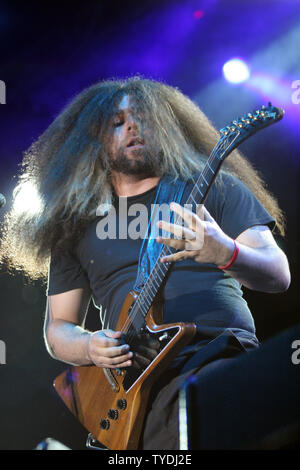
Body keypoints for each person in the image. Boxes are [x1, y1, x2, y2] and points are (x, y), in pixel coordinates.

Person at [0, 77, 290, 449]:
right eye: (117, 122)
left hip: (216, 359)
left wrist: (226, 252)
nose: (132, 126)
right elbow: (58, 329)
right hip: (133, 390)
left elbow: (277, 274)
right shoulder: (74, 227)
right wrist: (90, 347)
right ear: (94, 140)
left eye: (141, 117)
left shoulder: (213, 186)